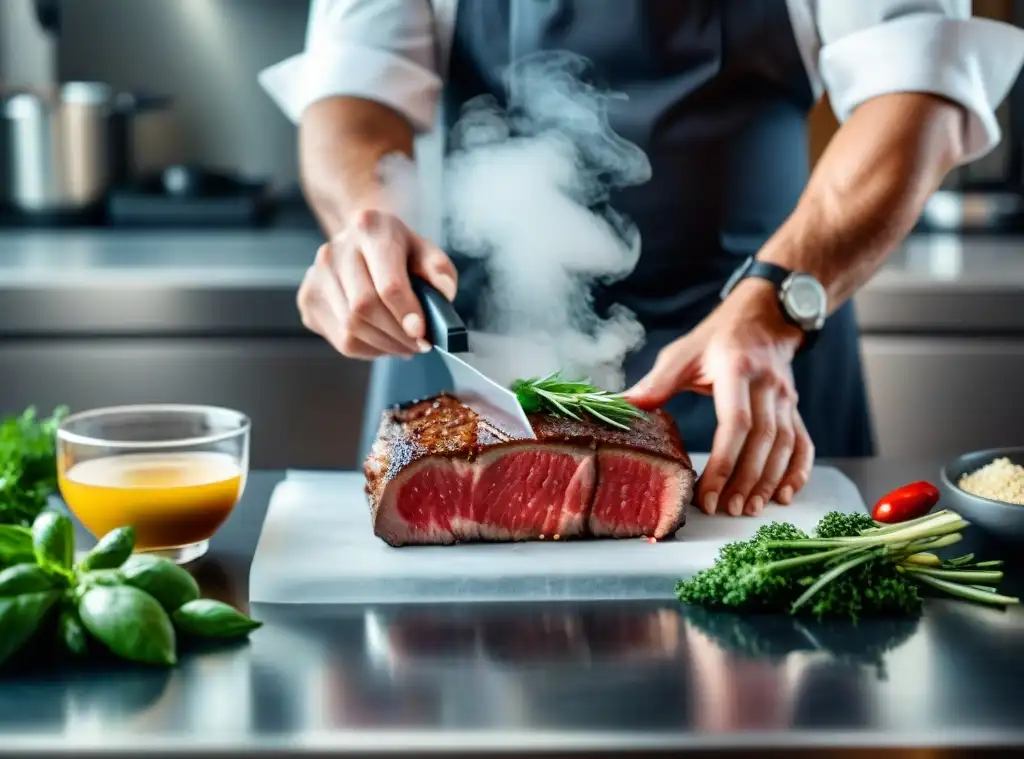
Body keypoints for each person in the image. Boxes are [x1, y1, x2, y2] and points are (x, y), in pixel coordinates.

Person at [260, 0, 1024, 518]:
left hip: (760, 345)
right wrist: (370, 221)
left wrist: (773, 305)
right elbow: (352, 91)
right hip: (466, 358)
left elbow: (919, 90)